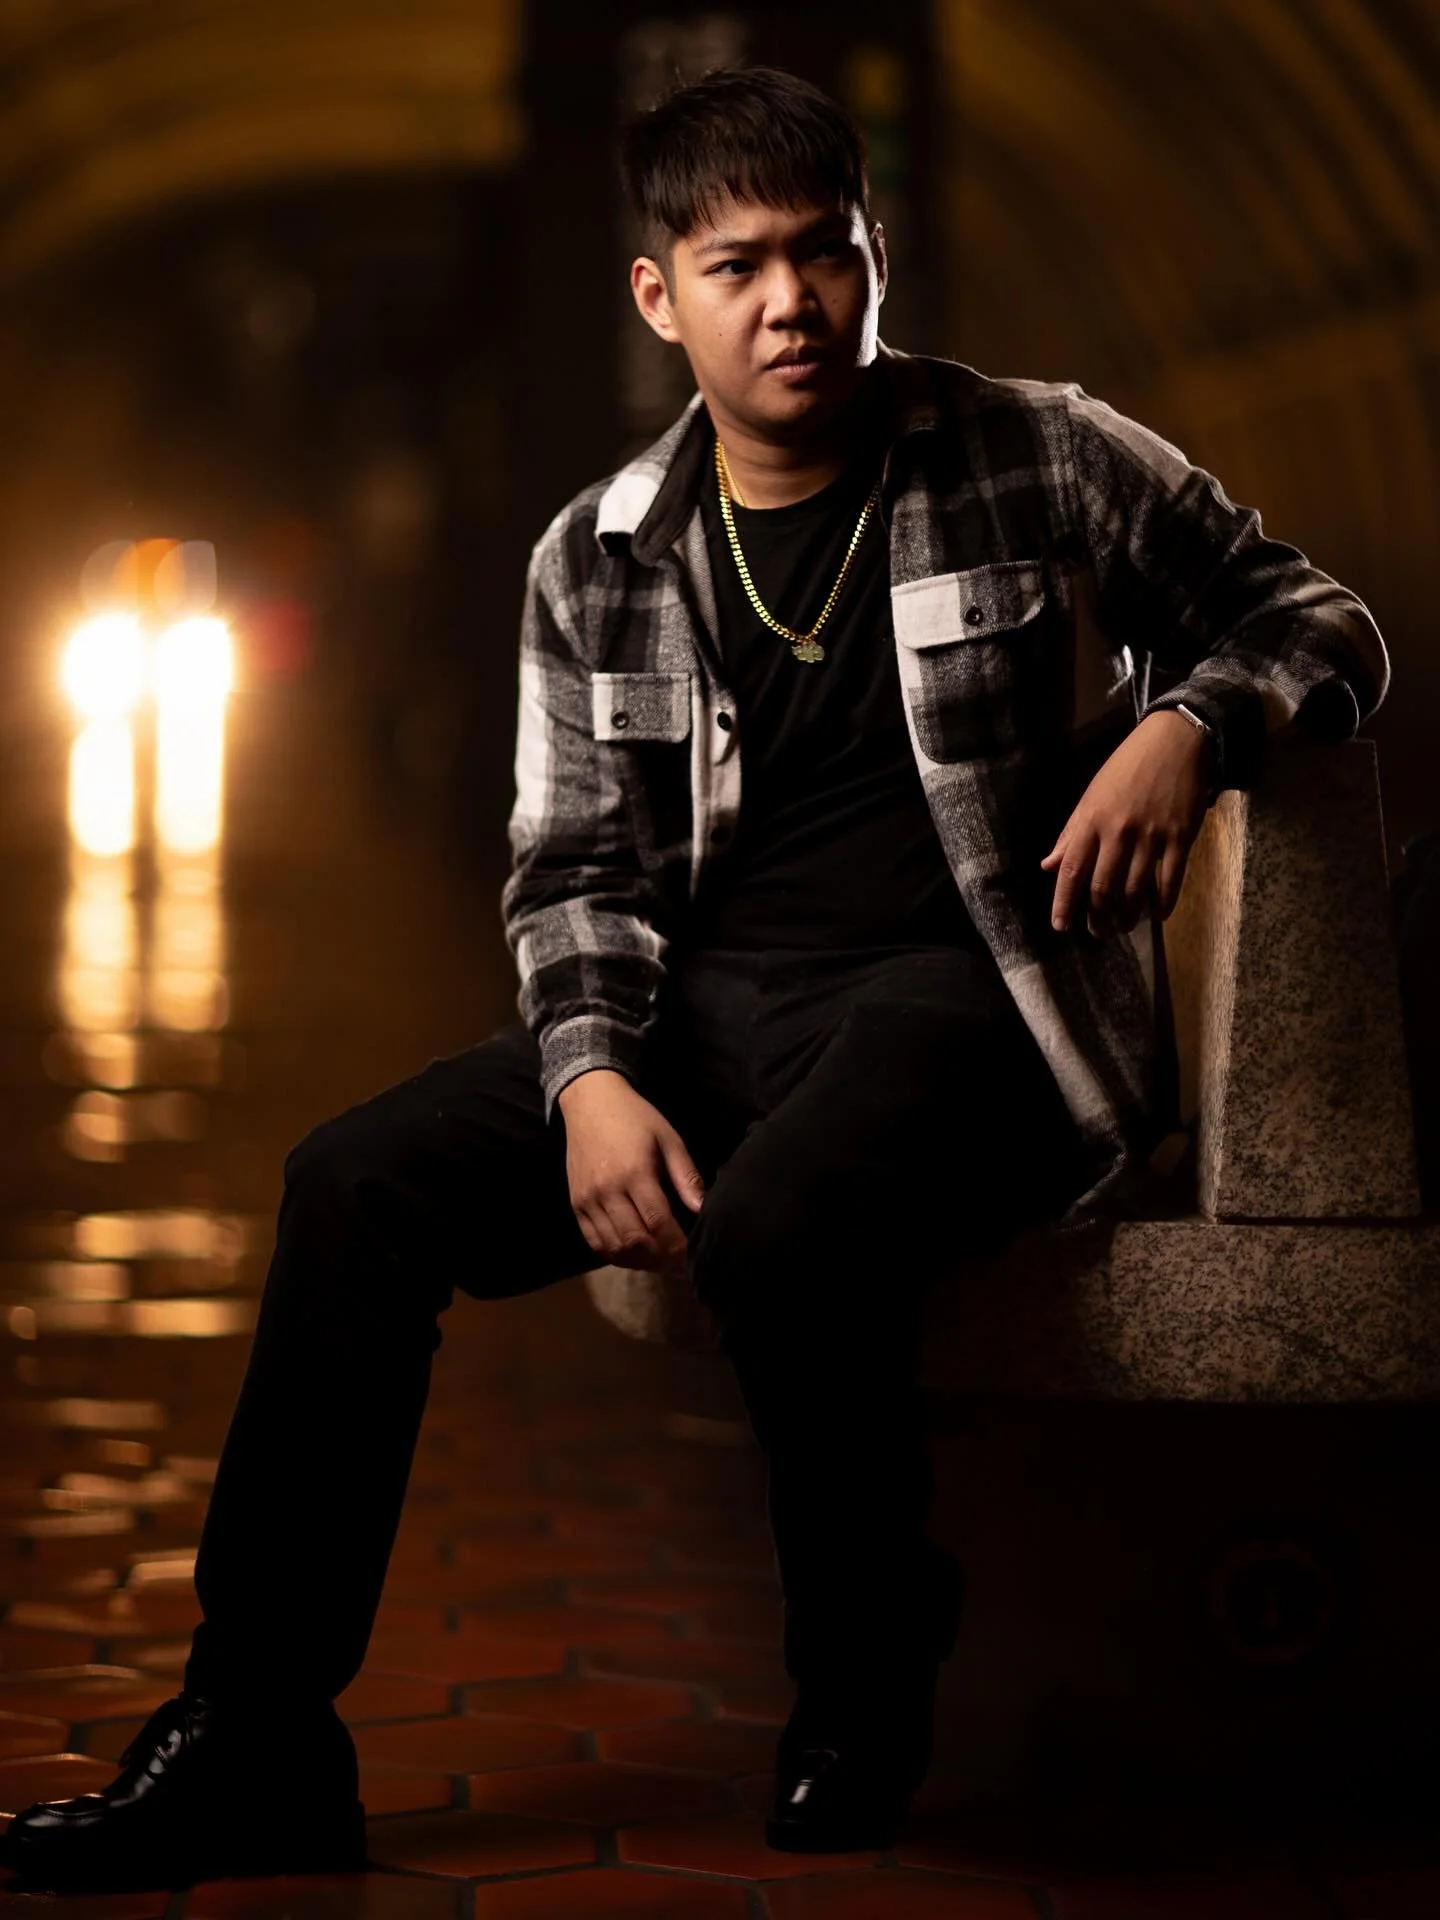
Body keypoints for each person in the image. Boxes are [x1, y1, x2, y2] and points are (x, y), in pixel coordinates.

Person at [2, 65, 1388, 1890]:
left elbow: (1319, 616)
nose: (795, 301)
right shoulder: (597, 557)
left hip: (971, 1004)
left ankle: (861, 1674)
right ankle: (259, 1735)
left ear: (873, 254)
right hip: (703, 1021)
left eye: (826, 253)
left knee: (781, 1226)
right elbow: (570, 867)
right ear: (659, 295)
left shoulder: (1035, 447)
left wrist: (1189, 726)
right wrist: (587, 1079)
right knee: (348, 1187)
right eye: (738, 266)